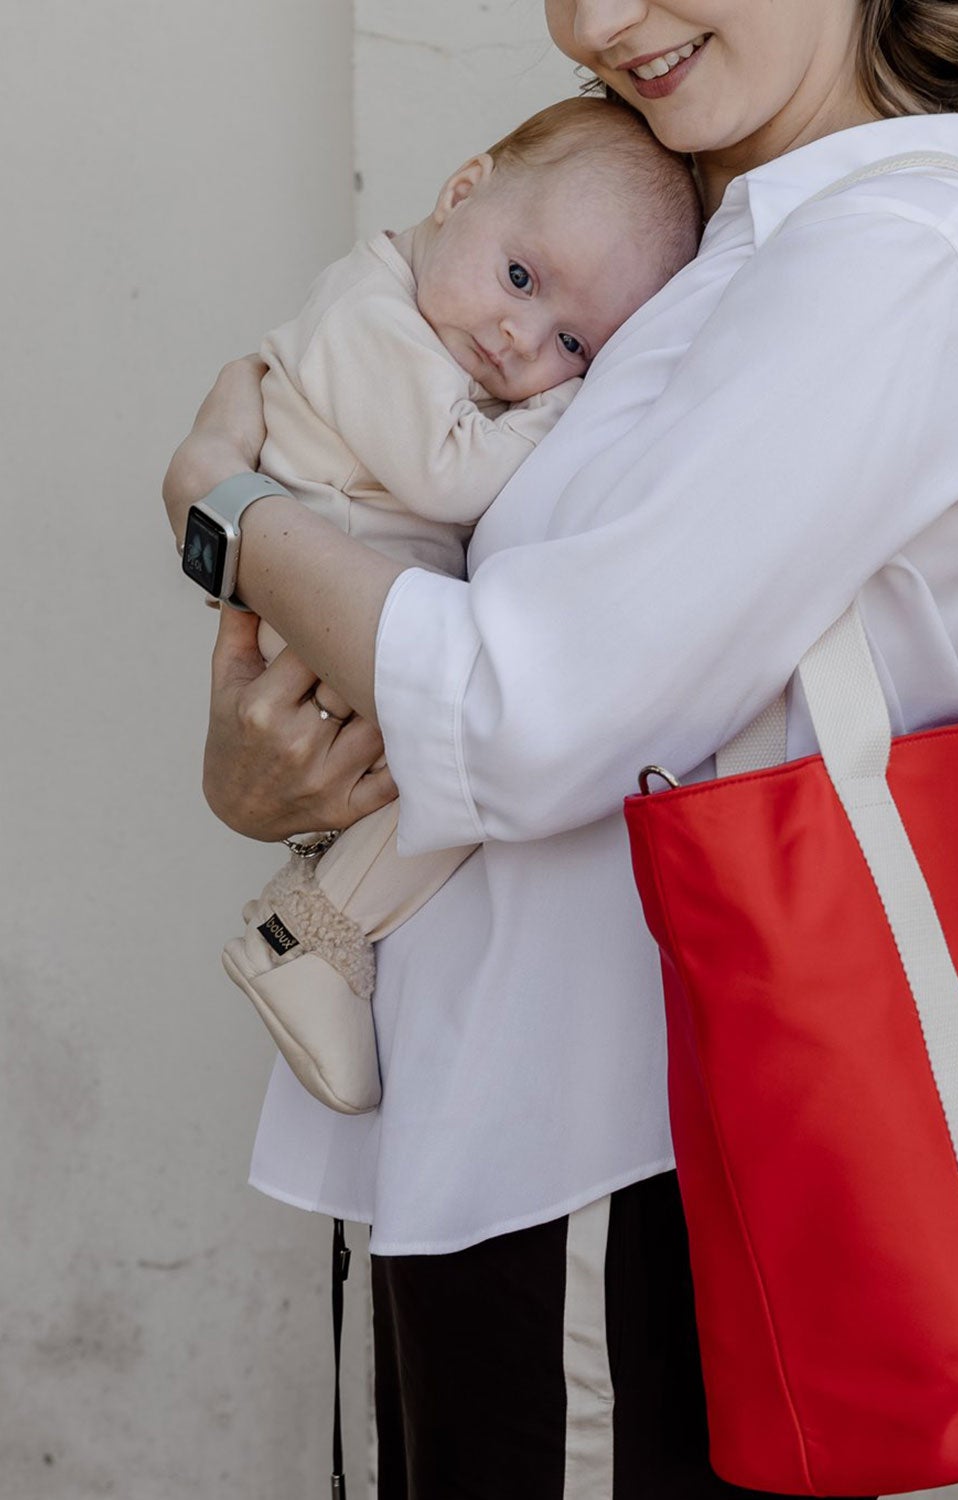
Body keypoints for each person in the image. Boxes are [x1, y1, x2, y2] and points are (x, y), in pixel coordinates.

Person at [161, 1, 958, 1494]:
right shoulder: (689, 245)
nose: (596, 19)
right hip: (492, 1125)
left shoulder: (889, 265)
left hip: (620, 1154)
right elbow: (479, 646)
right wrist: (259, 775)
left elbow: (519, 717)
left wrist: (225, 508)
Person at [217, 96, 702, 1115]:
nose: (521, 337)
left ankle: (311, 936)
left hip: (351, 597)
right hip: (327, 609)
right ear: (461, 191)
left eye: (574, 342)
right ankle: (303, 937)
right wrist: (579, 400)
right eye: (520, 278)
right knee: (476, 763)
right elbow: (449, 477)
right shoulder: (369, 314)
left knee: (464, 778)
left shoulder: (429, 323)